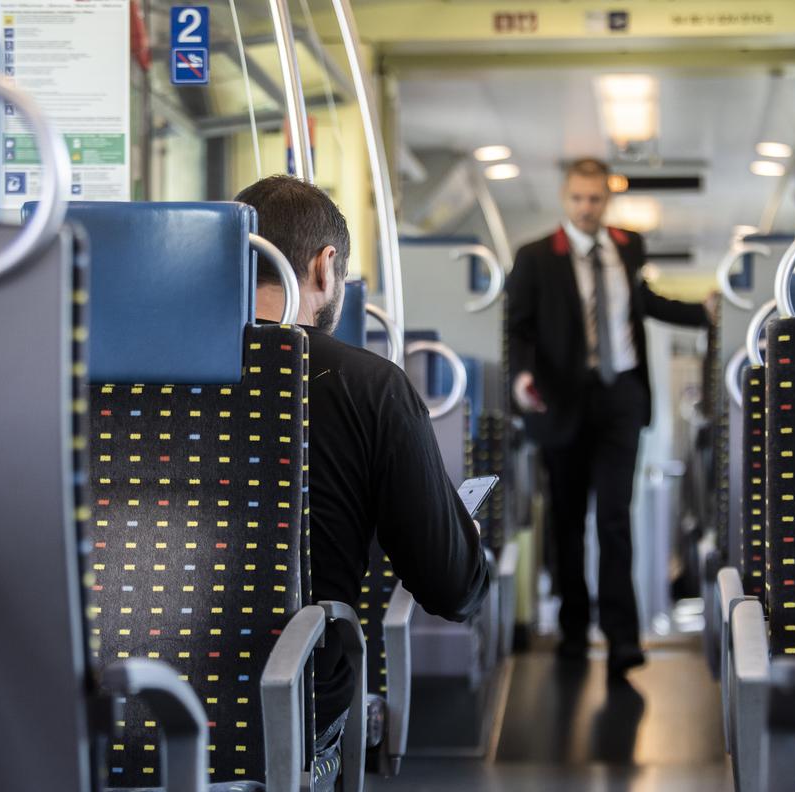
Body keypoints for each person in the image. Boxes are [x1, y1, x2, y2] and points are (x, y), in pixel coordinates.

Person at [235, 175, 493, 778]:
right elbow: (452, 586)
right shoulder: (369, 386)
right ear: (326, 269)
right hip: (288, 710)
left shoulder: (131, 376)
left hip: (114, 706)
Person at [505, 158, 715, 682]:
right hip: (562, 401)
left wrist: (702, 313)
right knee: (568, 521)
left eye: (595, 198)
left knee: (615, 519)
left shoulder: (627, 246)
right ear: (564, 198)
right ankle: (575, 634)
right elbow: (519, 329)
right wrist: (522, 379)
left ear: (607, 198)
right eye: (578, 198)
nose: (587, 207)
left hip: (620, 396)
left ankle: (623, 639)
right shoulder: (535, 258)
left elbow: (641, 302)